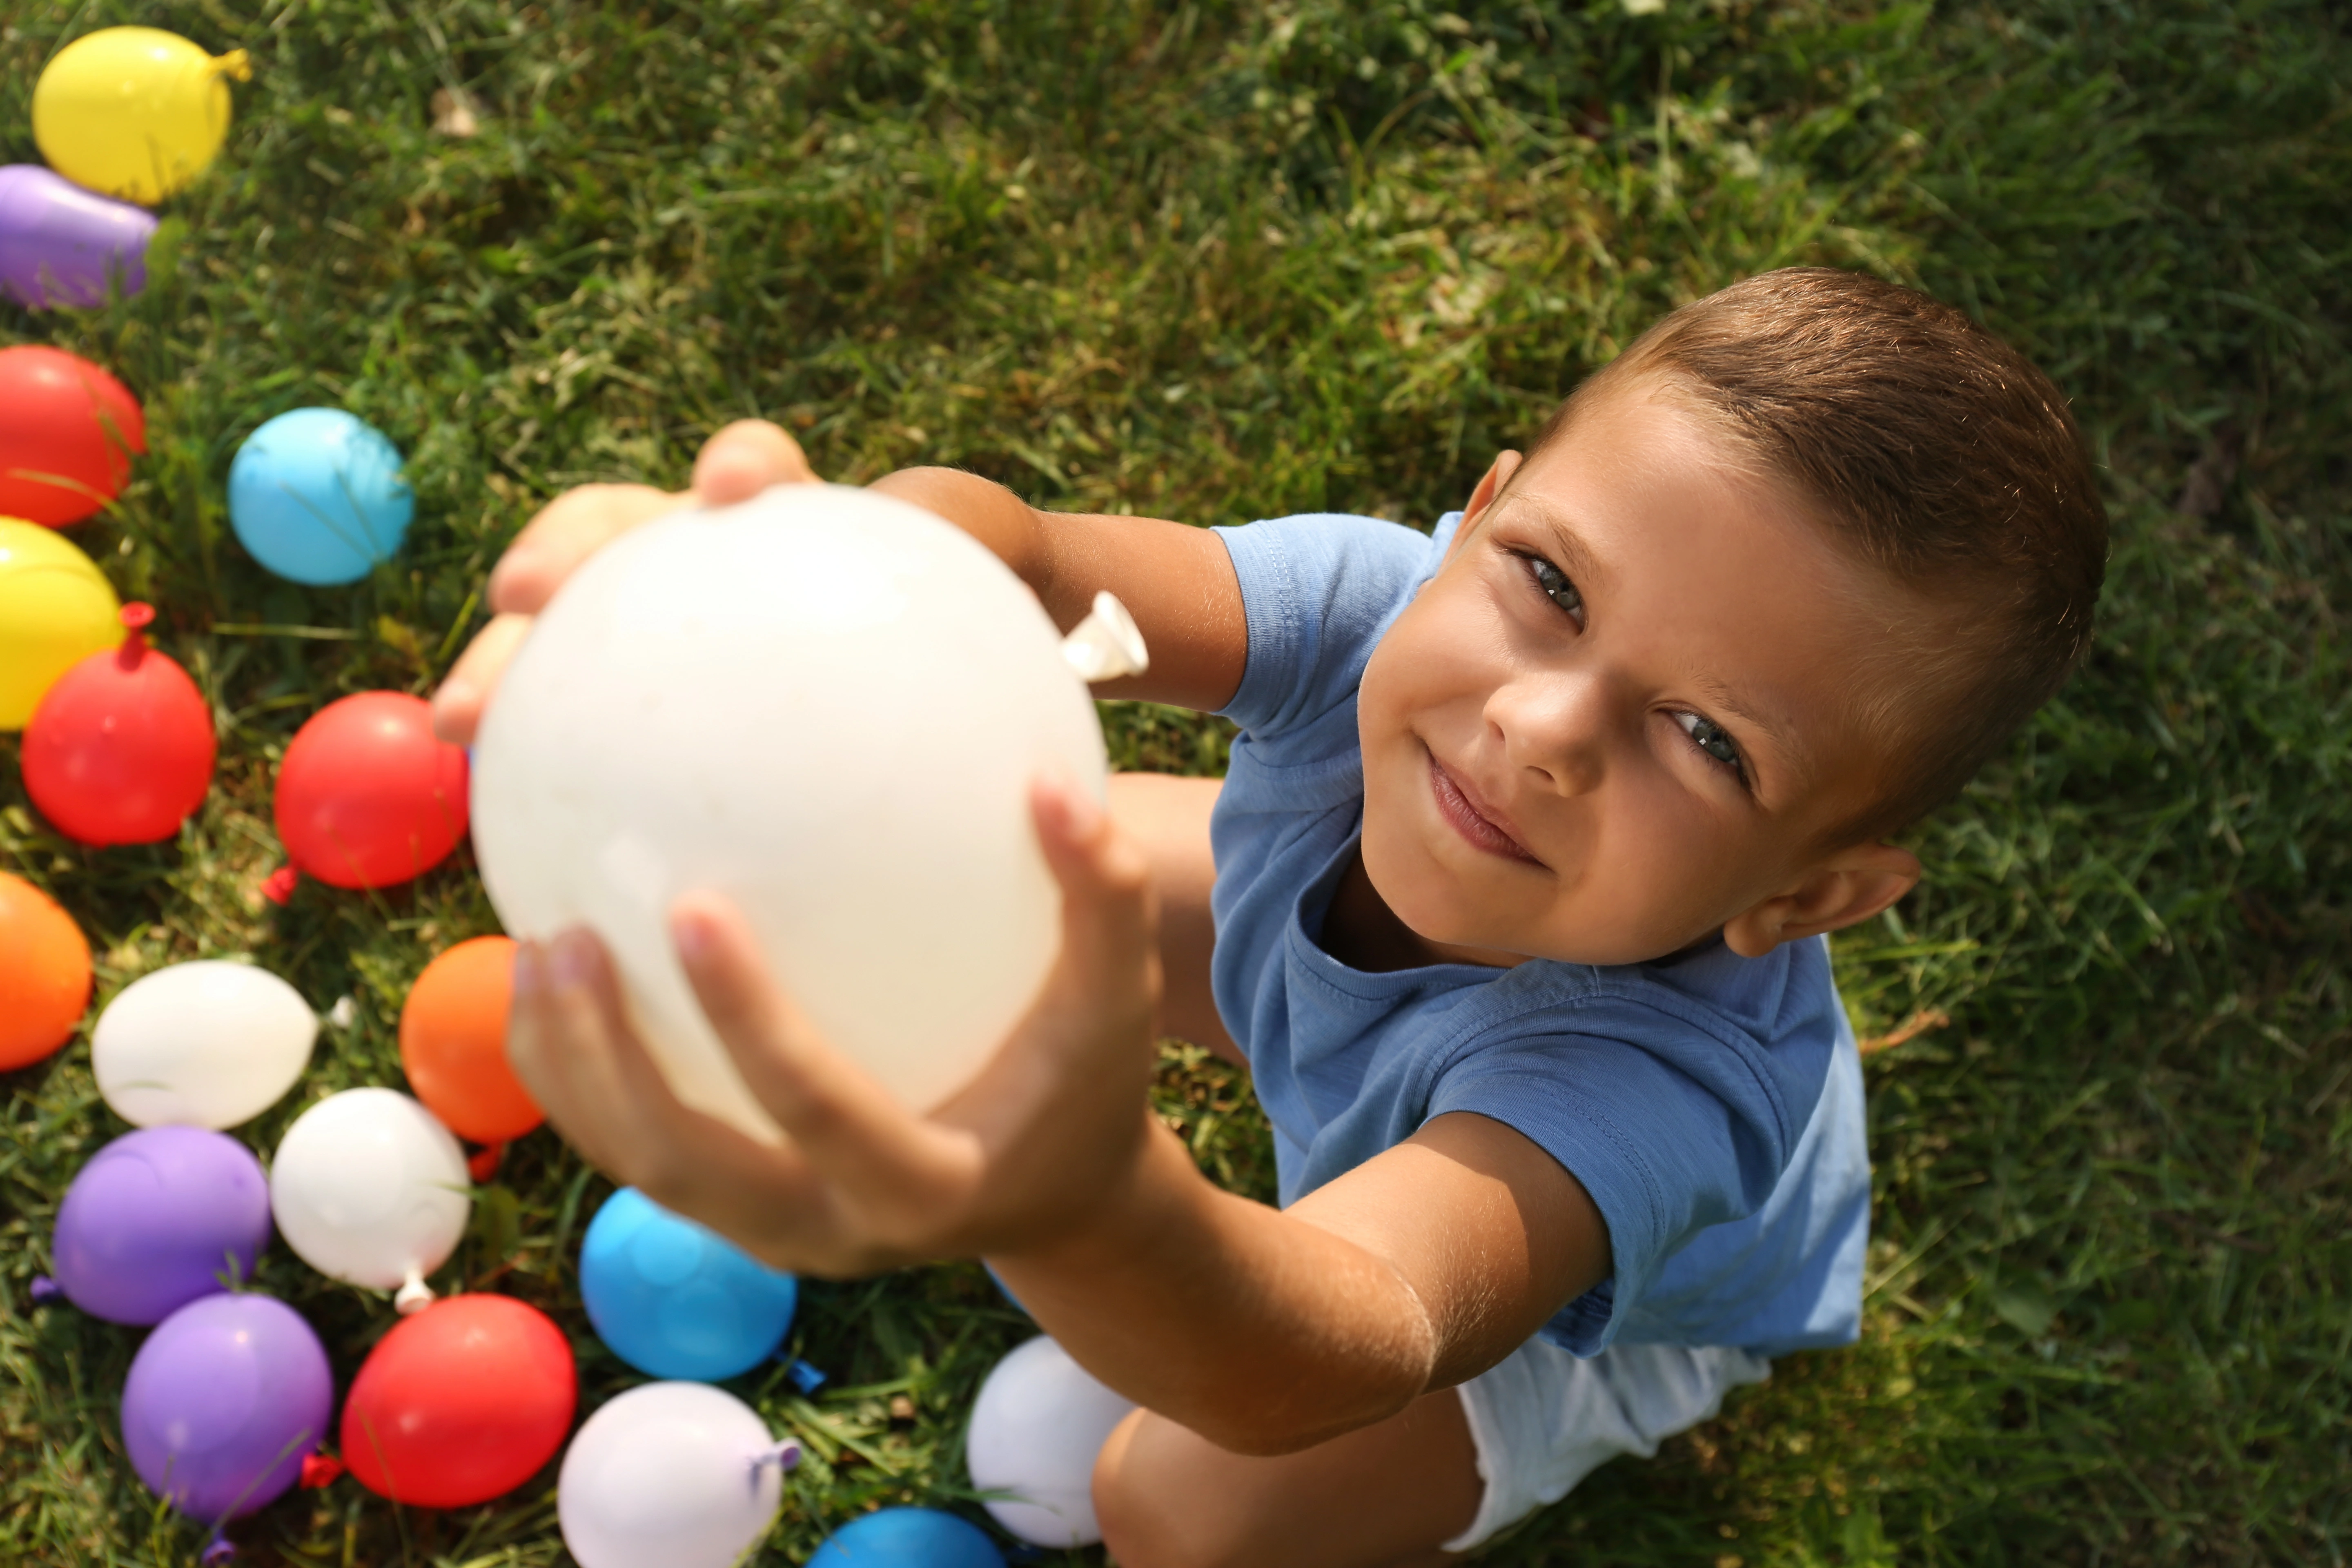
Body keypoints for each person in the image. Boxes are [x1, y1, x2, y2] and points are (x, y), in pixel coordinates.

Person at [431, 267, 2105, 1565]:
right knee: (1018, 862)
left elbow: (1334, 1347)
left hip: (1585, 1320)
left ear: (1809, 895)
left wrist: (1086, 1193)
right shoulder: (1391, 606)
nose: (1539, 728)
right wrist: (829, 577)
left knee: (1175, 1499)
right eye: (1550, 585)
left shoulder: (1653, 1081)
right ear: (1481, 513)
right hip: (1358, 1018)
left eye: (1709, 740)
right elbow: (1018, 565)